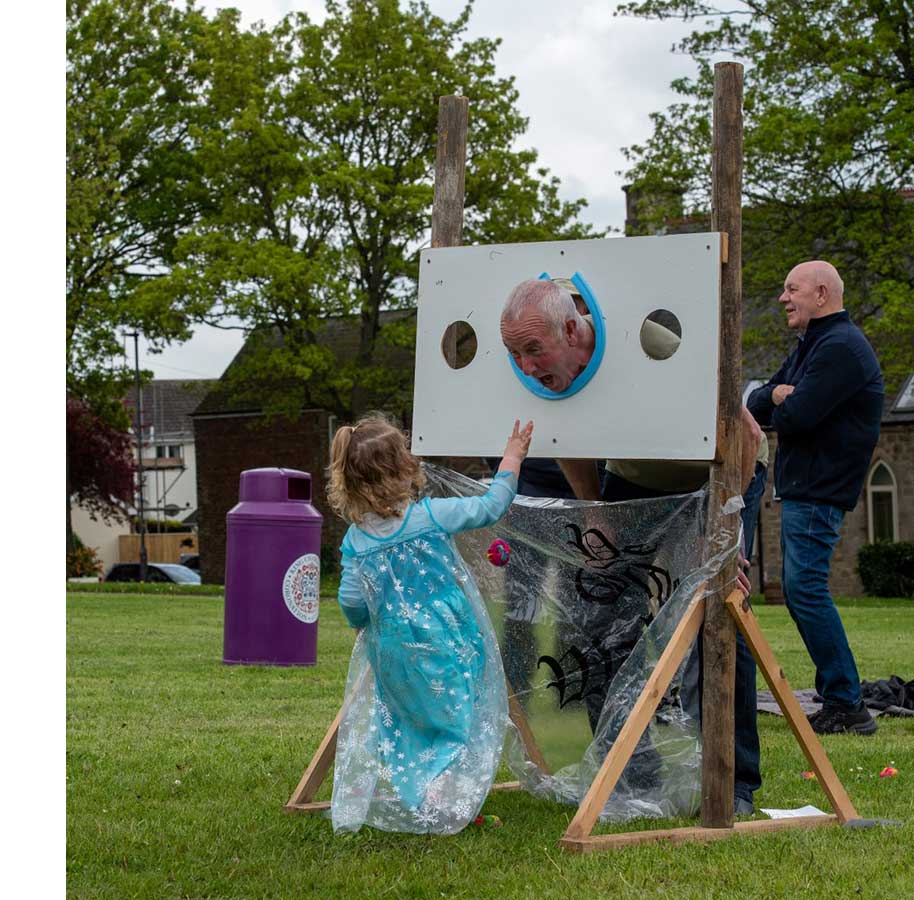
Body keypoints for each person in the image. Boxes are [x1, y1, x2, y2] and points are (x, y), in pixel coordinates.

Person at [499, 277, 766, 813]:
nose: (525, 368)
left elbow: (750, 436)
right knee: (594, 618)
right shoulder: (551, 377)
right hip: (635, 484)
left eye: (533, 349)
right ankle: (632, 773)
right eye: (514, 354)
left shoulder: (651, 343)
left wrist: (722, 528)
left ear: (573, 329)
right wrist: (597, 508)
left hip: (717, 480)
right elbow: (567, 434)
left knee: (714, 613)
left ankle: (731, 782)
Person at [327, 412, 535, 834]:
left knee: (413, 718)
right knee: (457, 717)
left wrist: (362, 621)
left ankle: (425, 788)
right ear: (404, 468)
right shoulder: (431, 516)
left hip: (393, 649)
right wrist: (512, 457)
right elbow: (491, 505)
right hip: (446, 638)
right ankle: (443, 797)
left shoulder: (357, 540)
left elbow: (350, 599)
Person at [745, 260, 885, 736]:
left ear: (821, 293)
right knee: (801, 588)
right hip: (806, 486)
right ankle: (842, 698)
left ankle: (846, 702)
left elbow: (797, 415)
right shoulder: (814, 345)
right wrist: (781, 395)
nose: (783, 298)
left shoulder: (840, 348)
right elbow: (755, 402)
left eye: (792, 290)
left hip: (819, 488)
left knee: (804, 588)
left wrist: (785, 398)